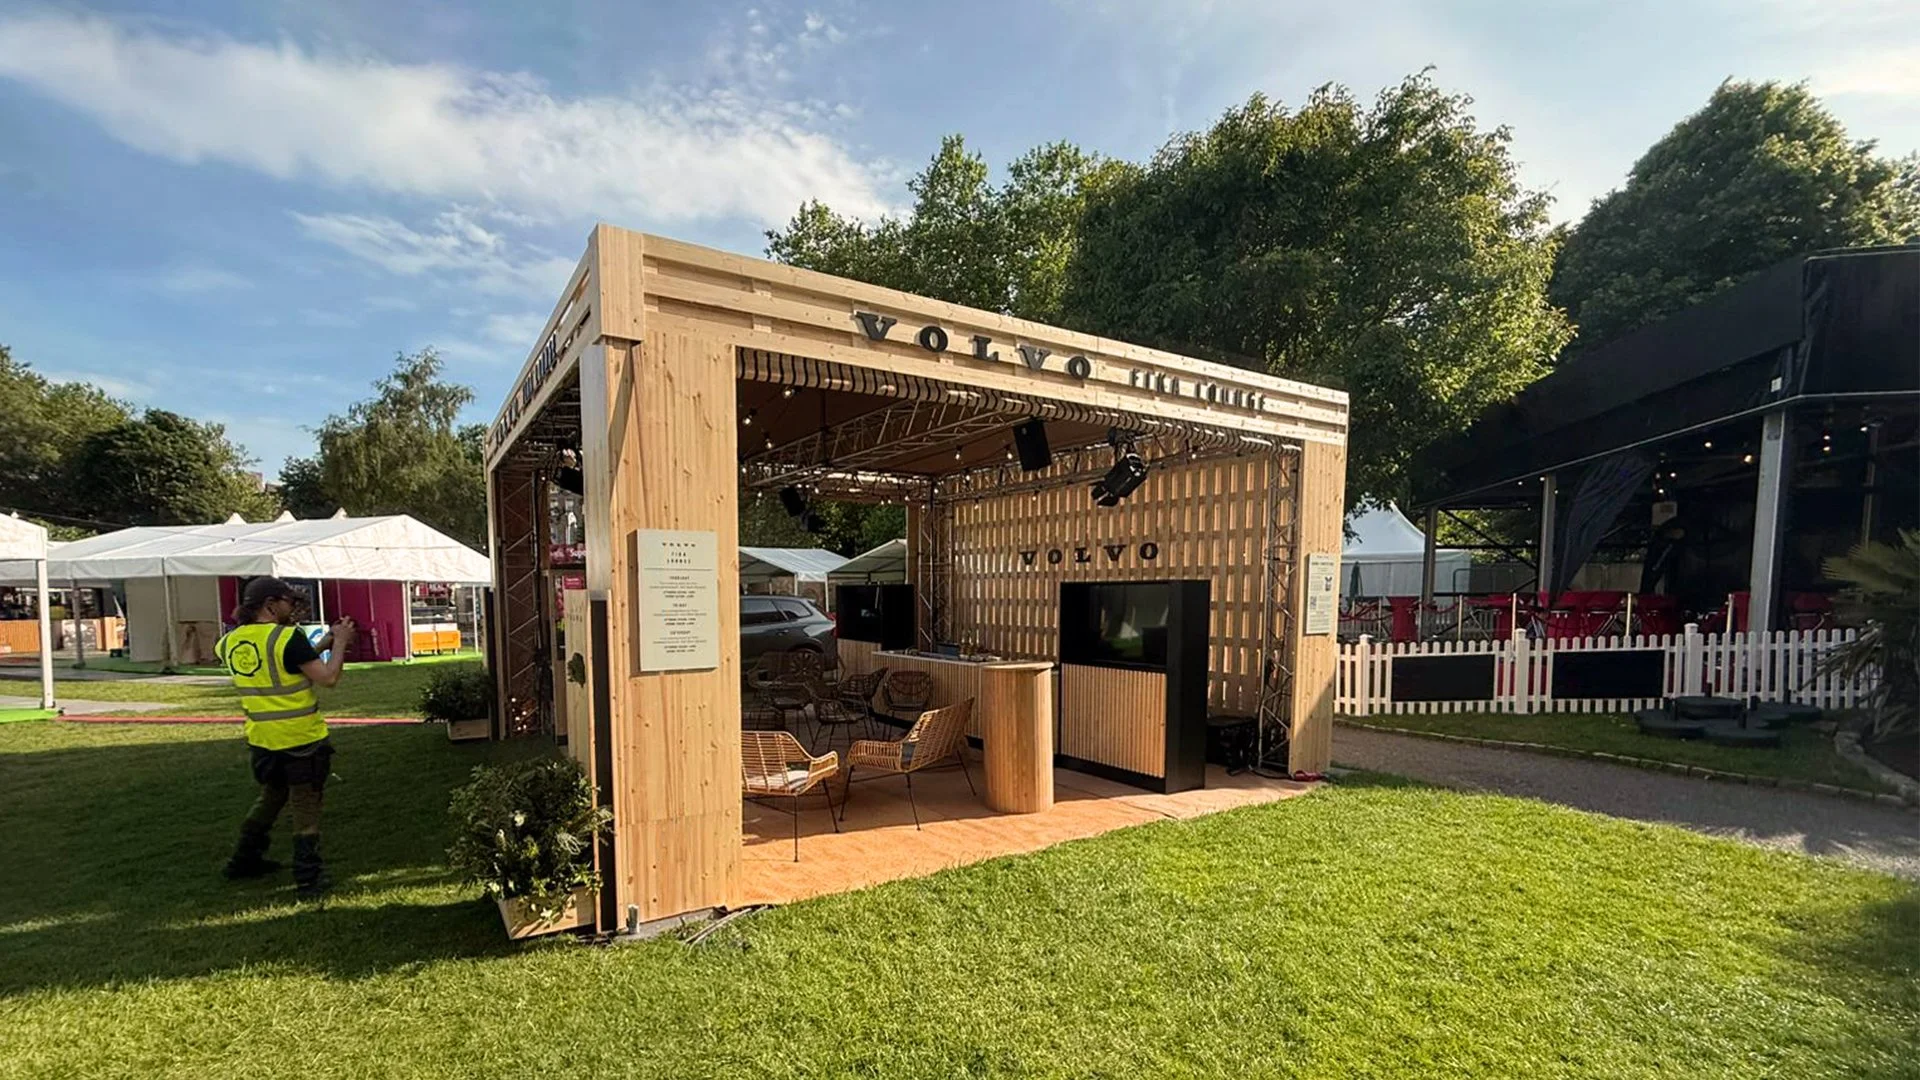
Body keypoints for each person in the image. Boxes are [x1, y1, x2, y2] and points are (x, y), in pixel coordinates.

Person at [214, 576, 356, 898]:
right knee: (306, 808)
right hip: (301, 740)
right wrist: (341, 642)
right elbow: (328, 678)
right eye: (288, 602)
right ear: (270, 604)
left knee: (270, 798)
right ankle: (309, 879)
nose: (292, 608)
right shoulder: (288, 637)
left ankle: (244, 860)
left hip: (263, 741)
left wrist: (322, 644)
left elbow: (284, 667)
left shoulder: (229, 641)